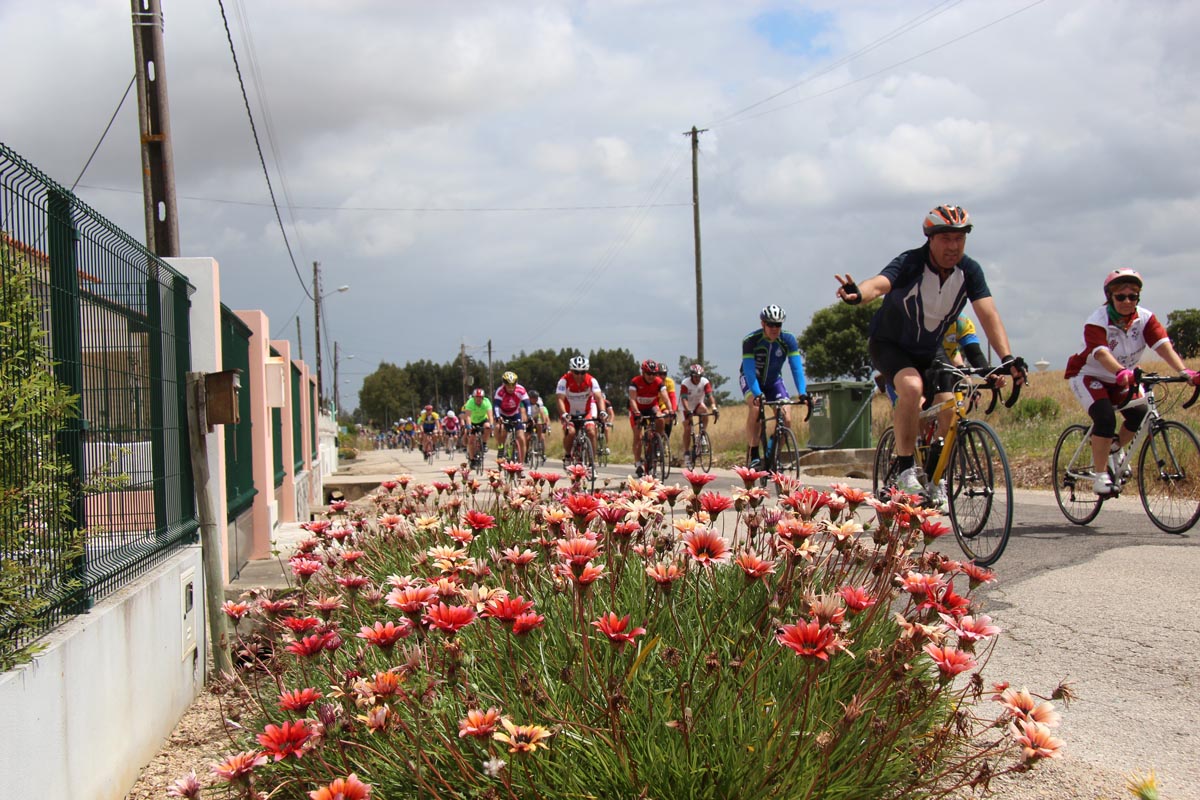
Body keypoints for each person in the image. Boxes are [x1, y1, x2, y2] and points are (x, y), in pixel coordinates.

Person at [835, 203, 1027, 498]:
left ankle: (936, 477)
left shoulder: (970, 271)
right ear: (931, 239)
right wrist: (858, 294)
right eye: (946, 239)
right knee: (911, 387)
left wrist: (1006, 359)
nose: (953, 246)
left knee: (951, 403)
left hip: (928, 348)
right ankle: (905, 469)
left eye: (959, 239)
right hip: (890, 343)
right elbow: (880, 284)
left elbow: (988, 313)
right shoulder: (912, 263)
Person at [1064, 269, 1200, 495]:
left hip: (1122, 376)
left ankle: (1114, 447)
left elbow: (1164, 346)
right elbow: (1101, 353)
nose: (1128, 301)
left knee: (1139, 414)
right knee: (1105, 417)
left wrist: (1184, 371)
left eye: (1133, 296)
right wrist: (1120, 371)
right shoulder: (1097, 321)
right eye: (1121, 297)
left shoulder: (1145, 319)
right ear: (1110, 297)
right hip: (1089, 375)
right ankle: (1100, 477)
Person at [741, 304, 809, 467]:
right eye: (770, 324)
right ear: (762, 323)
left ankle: (773, 454)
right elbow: (749, 370)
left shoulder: (788, 340)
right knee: (756, 408)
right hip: (752, 380)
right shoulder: (751, 340)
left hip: (773, 381)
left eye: (778, 324)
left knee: (786, 417)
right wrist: (757, 393)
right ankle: (754, 451)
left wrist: (802, 392)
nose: (774, 328)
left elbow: (796, 367)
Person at [555, 355, 604, 461]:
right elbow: (559, 399)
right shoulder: (564, 381)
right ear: (571, 370)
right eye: (576, 372)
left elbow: (599, 397)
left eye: (583, 372)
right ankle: (568, 455)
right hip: (569, 413)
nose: (579, 375)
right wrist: (564, 414)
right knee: (571, 432)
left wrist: (603, 412)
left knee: (591, 431)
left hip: (586, 412)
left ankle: (592, 462)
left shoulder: (591, 380)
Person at [628, 359, 671, 476]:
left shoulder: (658, 382)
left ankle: (656, 442)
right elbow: (632, 399)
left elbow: (666, 397)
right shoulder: (635, 382)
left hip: (652, 406)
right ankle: (638, 463)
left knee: (661, 419)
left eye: (654, 374)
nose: (651, 376)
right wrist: (636, 412)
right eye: (649, 374)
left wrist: (671, 410)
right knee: (638, 436)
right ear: (643, 373)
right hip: (637, 408)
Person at [679, 363, 719, 459]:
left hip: (697, 404)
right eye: (695, 376)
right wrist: (688, 411)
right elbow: (684, 399)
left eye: (699, 376)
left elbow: (710, 395)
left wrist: (714, 407)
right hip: (686, 406)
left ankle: (702, 434)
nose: (697, 379)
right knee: (688, 428)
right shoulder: (685, 383)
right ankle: (686, 451)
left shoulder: (705, 382)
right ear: (691, 376)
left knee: (705, 411)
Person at [493, 370, 531, 464]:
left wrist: (529, 415)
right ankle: (501, 448)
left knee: (521, 438)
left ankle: (520, 465)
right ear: (504, 384)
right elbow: (496, 406)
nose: (510, 388)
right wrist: (498, 416)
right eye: (508, 385)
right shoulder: (500, 391)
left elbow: (527, 404)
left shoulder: (521, 390)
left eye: (512, 385)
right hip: (502, 414)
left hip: (515, 414)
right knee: (500, 429)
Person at [461, 388, 494, 463]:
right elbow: (468, 416)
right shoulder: (470, 402)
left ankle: (484, 443)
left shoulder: (486, 402)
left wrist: (492, 424)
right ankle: (472, 460)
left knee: (487, 427)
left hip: (483, 420)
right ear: (474, 397)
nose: (478, 399)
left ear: (483, 398)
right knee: (471, 440)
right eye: (476, 397)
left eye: (480, 398)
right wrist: (469, 426)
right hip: (473, 421)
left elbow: (490, 415)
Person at [654, 362, 679, 441]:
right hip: (654, 403)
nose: (662, 376)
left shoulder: (669, 382)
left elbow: (672, 397)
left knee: (669, 415)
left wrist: (673, 410)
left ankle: (665, 440)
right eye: (660, 374)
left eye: (664, 374)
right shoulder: (652, 382)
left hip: (663, 404)